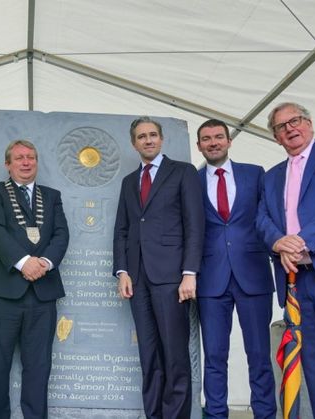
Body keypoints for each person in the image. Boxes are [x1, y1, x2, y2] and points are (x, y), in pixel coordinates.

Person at [112, 116, 204, 419]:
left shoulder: (183, 172)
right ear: (134, 143)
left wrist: (189, 273)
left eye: (153, 135)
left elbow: (195, 224)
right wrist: (122, 271)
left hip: (172, 278)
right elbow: (122, 230)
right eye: (141, 136)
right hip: (137, 279)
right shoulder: (129, 182)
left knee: (175, 355)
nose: (148, 140)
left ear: (161, 139)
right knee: (148, 355)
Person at [0, 140, 69, 419]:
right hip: (1, 293)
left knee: (39, 367)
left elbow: (61, 235)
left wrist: (45, 263)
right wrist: (23, 262)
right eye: (19, 158)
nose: (26, 162)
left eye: (31, 157)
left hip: (43, 292)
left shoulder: (52, 196)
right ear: (8, 164)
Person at [256, 102, 315, 418]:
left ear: (310, 123)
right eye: (281, 127)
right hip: (295, 283)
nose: (290, 129)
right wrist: (278, 241)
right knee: (314, 366)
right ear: (276, 138)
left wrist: (300, 241)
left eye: (296, 120)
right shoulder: (271, 176)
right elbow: (260, 217)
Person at [195, 119, 276, 418]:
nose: (213, 142)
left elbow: (268, 217)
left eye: (218, 137)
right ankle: (216, 414)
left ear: (229, 141)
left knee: (259, 355)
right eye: (206, 139)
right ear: (199, 145)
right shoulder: (192, 179)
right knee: (215, 356)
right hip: (210, 280)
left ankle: (265, 413)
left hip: (253, 275)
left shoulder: (255, 174)